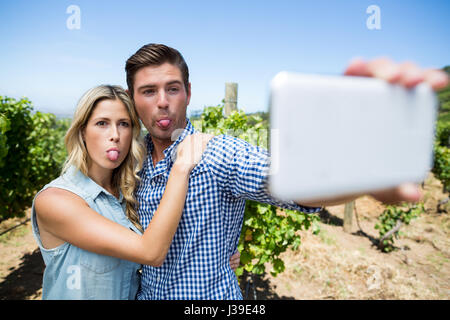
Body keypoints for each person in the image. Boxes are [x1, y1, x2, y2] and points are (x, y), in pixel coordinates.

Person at [124, 43, 449, 300]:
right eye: (149, 91)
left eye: (173, 89)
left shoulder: (217, 154)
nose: (163, 101)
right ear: (133, 99)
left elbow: (291, 180)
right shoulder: (132, 162)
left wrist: (358, 168)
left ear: (188, 93)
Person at [31, 84, 239, 300]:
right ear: (82, 131)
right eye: (102, 123)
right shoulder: (56, 201)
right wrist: (181, 166)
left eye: (124, 124)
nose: (115, 135)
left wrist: (218, 256)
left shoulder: (129, 195)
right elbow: (151, 253)